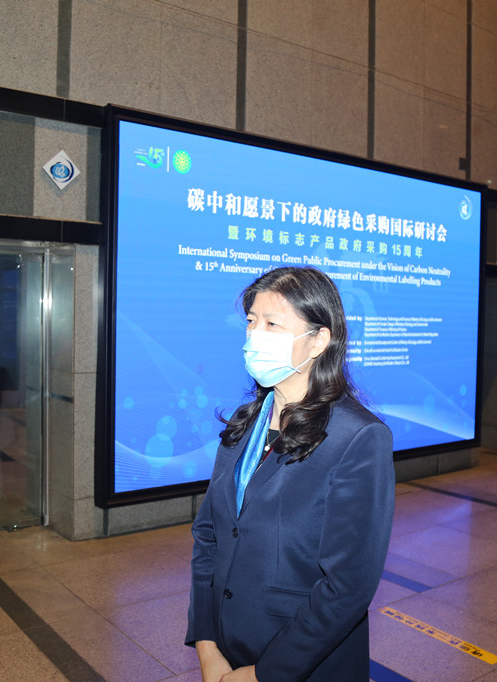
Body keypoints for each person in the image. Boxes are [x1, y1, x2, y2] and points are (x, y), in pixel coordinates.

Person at [186, 267, 396, 681]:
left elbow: (346, 587)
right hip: (226, 646)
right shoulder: (246, 423)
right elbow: (210, 535)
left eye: (272, 324)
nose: (254, 336)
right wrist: (207, 646)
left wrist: (262, 674)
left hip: (301, 664)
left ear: (318, 340)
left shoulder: (358, 438)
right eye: (251, 321)